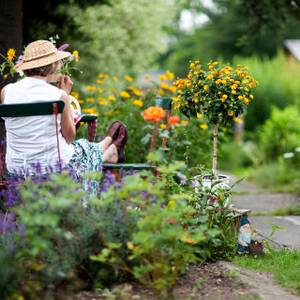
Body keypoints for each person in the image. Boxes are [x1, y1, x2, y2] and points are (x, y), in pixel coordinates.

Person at [0, 40, 127, 179]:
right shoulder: (59, 96)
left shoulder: (6, 92)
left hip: (16, 169)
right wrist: (65, 95)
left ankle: (108, 147)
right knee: (81, 148)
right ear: (52, 66)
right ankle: (108, 149)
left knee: (80, 149)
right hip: (52, 167)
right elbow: (69, 137)